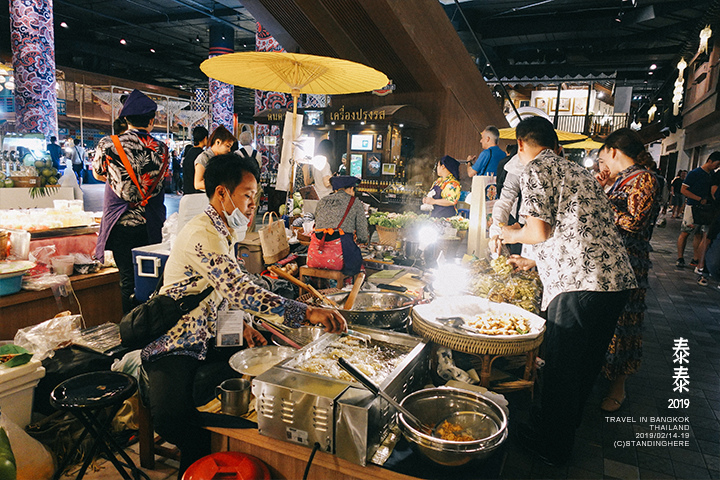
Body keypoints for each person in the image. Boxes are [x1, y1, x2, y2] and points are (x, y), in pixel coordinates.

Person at [141, 153, 347, 476]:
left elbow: (222, 295)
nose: (253, 204)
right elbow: (241, 291)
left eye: (255, 196)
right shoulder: (202, 235)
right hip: (176, 343)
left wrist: (245, 324)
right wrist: (307, 313)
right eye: (247, 196)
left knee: (267, 365)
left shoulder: (224, 230)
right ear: (221, 194)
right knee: (179, 426)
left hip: (209, 336)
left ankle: (250, 453)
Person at [499, 117, 637, 466]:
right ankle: (557, 434)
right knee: (584, 366)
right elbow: (573, 226)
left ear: (520, 145)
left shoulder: (535, 168)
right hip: (614, 281)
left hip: (579, 283)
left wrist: (510, 235)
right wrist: (534, 262)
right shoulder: (577, 171)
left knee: (560, 368)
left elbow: (539, 231)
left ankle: (551, 448)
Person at [594, 128, 658, 413]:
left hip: (630, 263)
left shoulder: (644, 178)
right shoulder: (620, 180)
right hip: (611, 260)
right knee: (608, 319)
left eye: (601, 157)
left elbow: (635, 223)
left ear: (613, 151)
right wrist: (603, 190)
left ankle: (618, 386)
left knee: (625, 322)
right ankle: (603, 375)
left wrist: (603, 201)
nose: (601, 164)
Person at [92, 89, 169, 314]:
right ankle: (150, 324)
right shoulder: (162, 149)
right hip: (150, 223)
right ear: (151, 121)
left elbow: (98, 173)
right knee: (150, 277)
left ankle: (130, 326)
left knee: (127, 279)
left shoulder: (109, 144)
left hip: (121, 224)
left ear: (125, 119)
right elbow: (162, 181)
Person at [308, 175, 369, 276]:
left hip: (316, 255)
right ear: (351, 188)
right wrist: (363, 241)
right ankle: (349, 287)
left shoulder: (322, 201)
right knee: (358, 264)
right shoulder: (355, 202)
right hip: (339, 258)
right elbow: (362, 234)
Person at [676, 153, 720, 268]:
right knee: (685, 232)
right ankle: (680, 258)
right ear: (710, 160)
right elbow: (683, 190)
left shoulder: (712, 175)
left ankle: (696, 259)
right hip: (692, 207)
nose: (717, 167)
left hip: (706, 209)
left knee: (699, 234)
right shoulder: (694, 173)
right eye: (717, 164)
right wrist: (699, 199)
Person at [194, 125, 235, 192]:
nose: (229, 150)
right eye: (227, 146)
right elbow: (197, 184)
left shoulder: (222, 159)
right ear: (218, 142)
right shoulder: (204, 158)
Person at [183, 126, 208, 195]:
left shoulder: (189, 152)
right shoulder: (203, 155)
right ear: (205, 138)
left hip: (187, 192)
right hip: (197, 194)